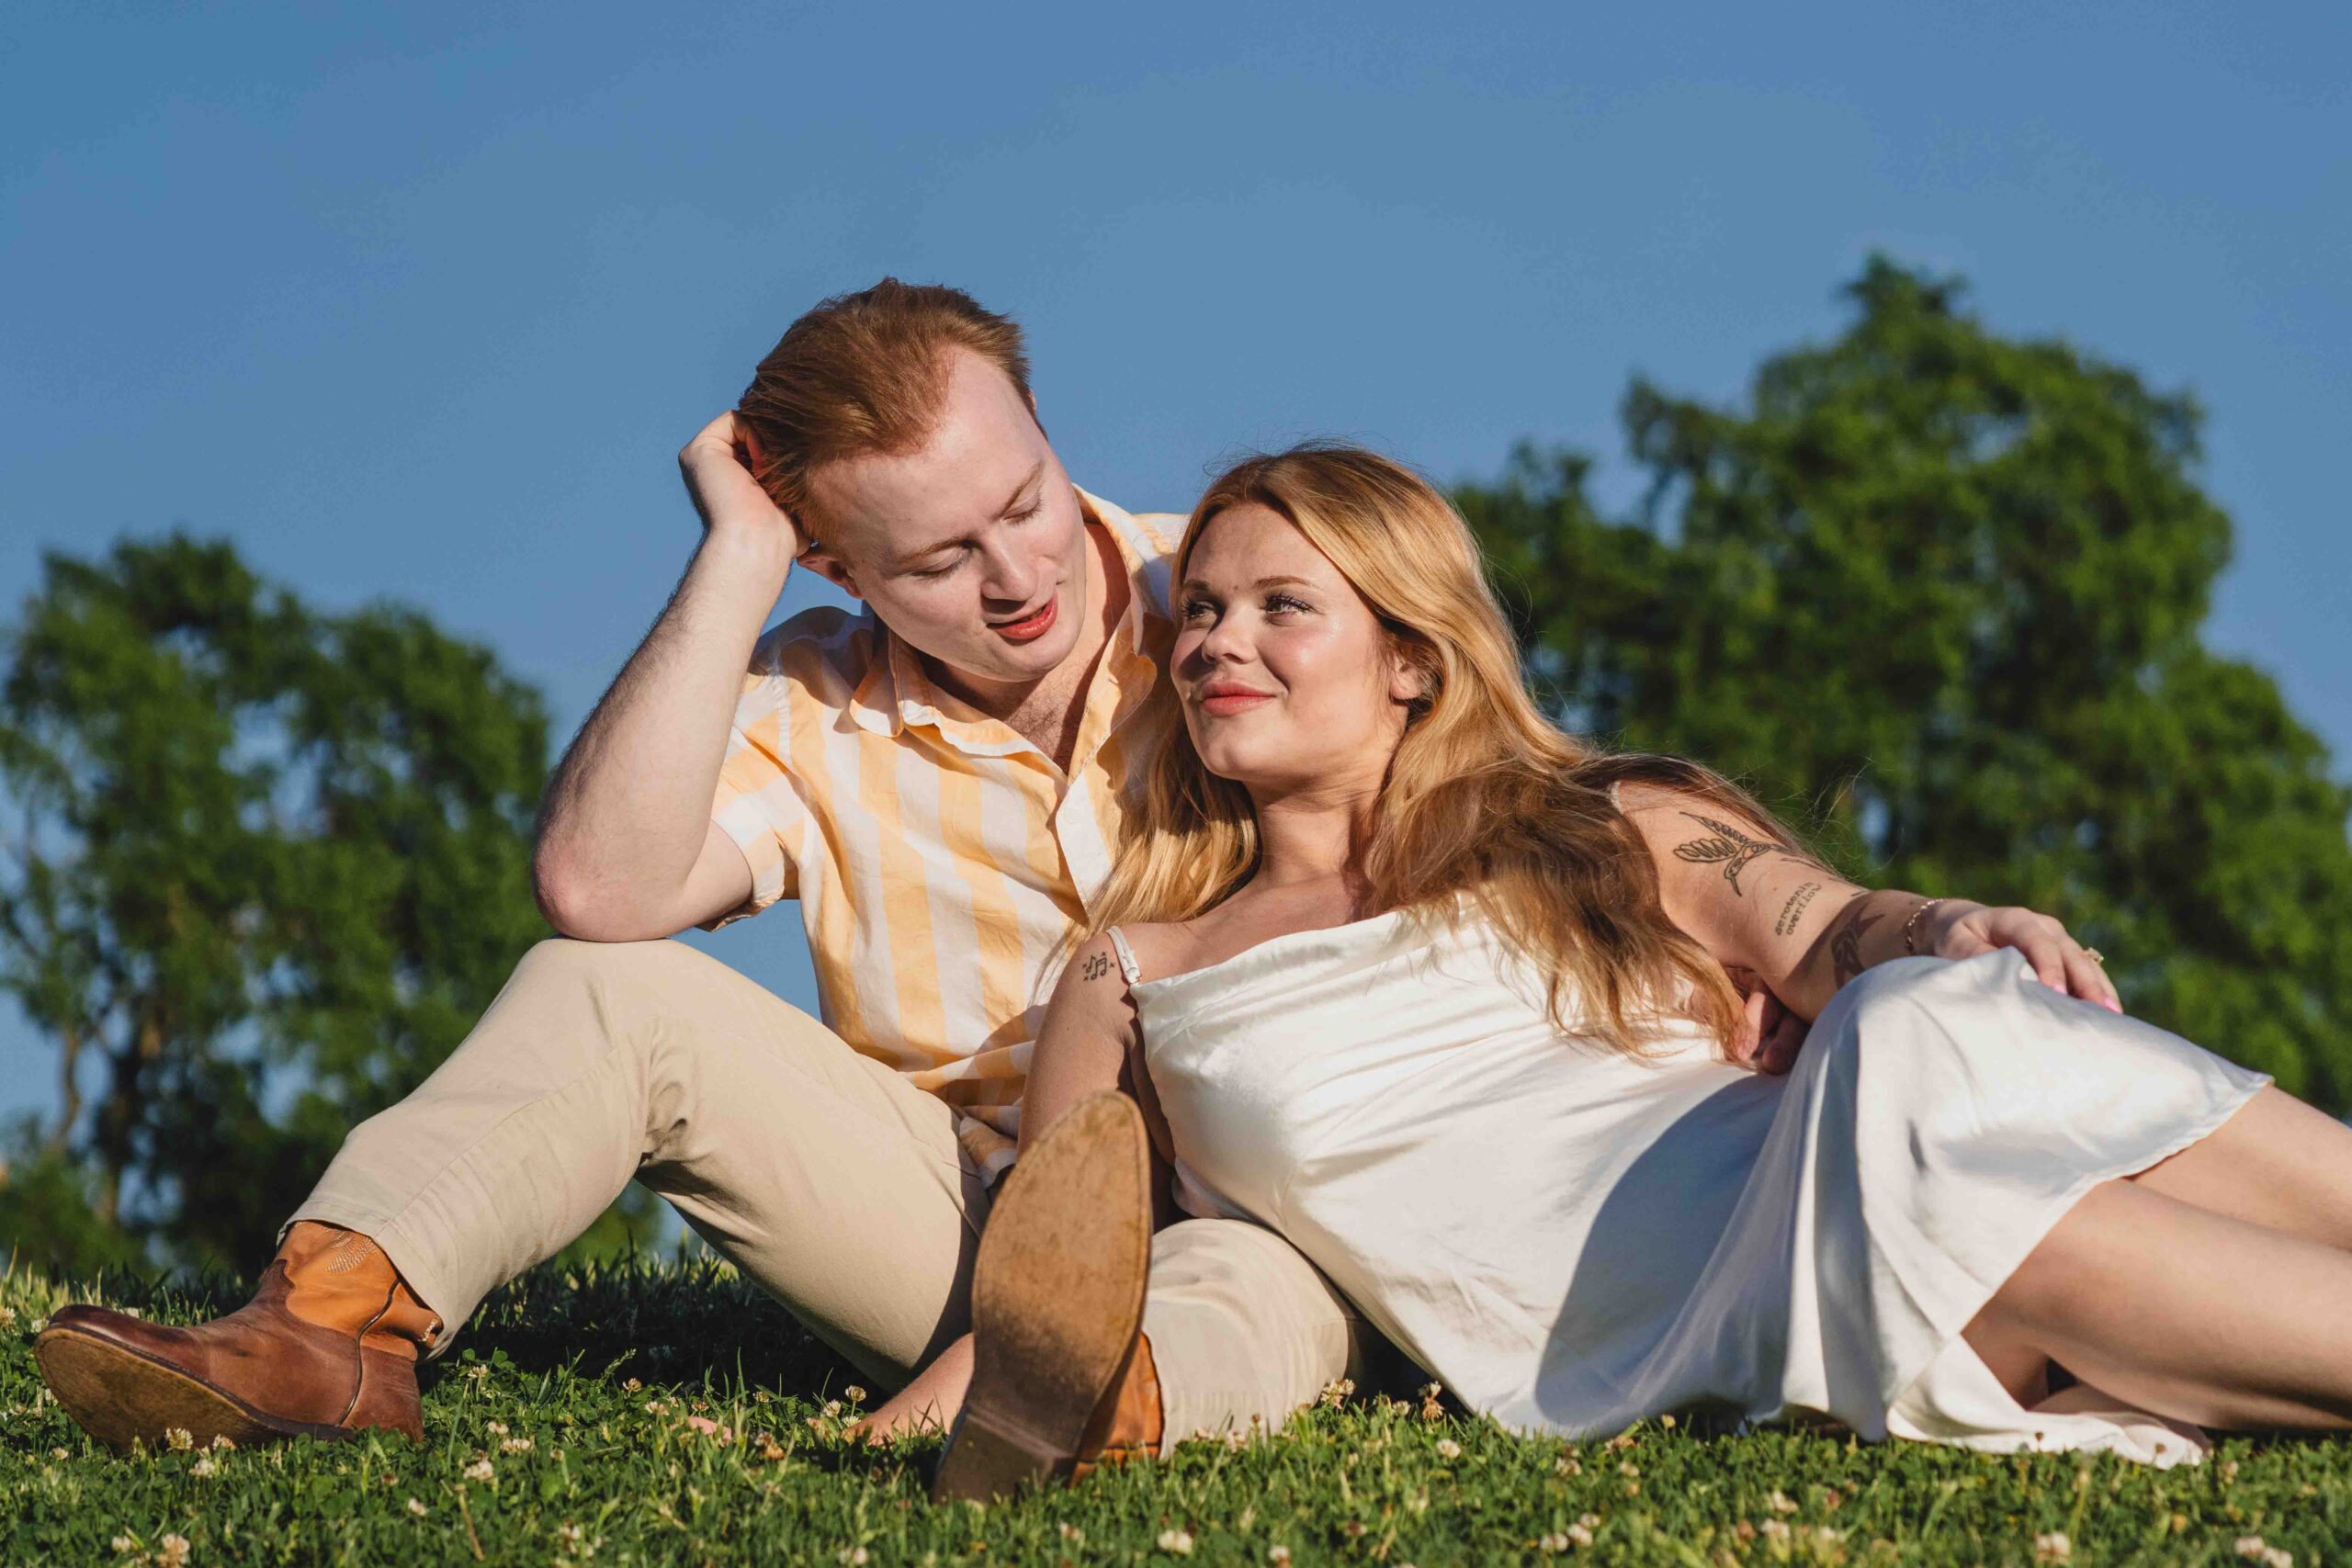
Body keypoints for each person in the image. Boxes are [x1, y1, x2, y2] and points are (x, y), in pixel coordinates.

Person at [31, 285, 1421, 1468]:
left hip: (1274, 1198)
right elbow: (596, 893)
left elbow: (1472, 795)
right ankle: (325, 1334)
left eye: (1024, 502)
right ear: (835, 559)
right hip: (965, 1217)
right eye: (939, 558)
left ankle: (1075, 1419)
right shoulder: (812, 695)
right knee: (605, 991)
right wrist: (739, 559)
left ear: (1050, 433)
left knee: (1244, 1268)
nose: (1015, 579)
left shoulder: (1243, 599)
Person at [902, 441, 2352, 1497]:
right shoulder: (1132, 976)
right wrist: (927, 1419)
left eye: (1285, 606)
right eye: (1203, 611)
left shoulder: (1596, 828)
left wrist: (1942, 926)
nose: (1224, 641)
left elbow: (1824, 927)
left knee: (1919, 1015)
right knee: (1986, 1185)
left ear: (1412, 658)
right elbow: (1061, 1272)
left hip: (1851, 1172)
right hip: (1677, 1336)